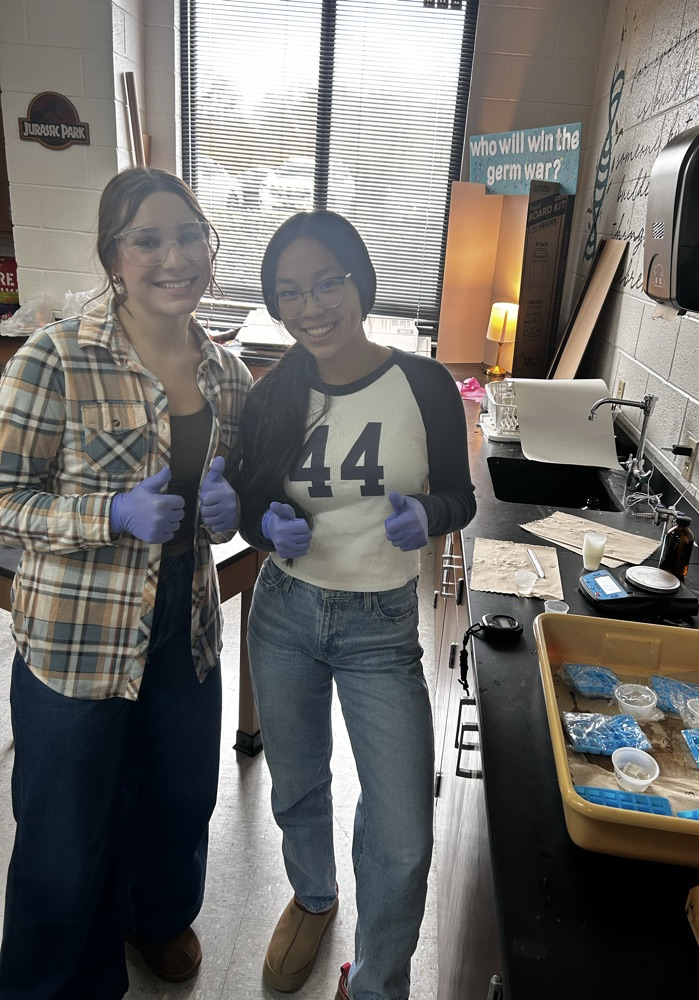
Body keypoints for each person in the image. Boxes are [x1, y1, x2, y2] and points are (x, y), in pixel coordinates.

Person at [0, 166, 252, 1000]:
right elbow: (5, 499)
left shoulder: (225, 374)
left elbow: (234, 504)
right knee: (65, 835)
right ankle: (56, 981)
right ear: (114, 256)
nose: (173, 256)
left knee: (181, 795)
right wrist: (110, 515)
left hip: (185, 624)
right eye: (148, 239)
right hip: (79, 635)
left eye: (189, 235)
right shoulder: (55, 359)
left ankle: (157, 918)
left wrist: (227, 510)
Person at [239, 210, 476, 1000]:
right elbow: (246, 503)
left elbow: (461, 496)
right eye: (290, 293)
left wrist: (431, 516)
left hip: (380, 627)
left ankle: (374, 981)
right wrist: (264, 525)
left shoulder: (425, 384)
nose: (311, 307)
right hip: (285, 615)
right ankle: (313, 898)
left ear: (360, 279)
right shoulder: (274, 395)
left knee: (404, 833)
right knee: (298, 780)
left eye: (327, 282)